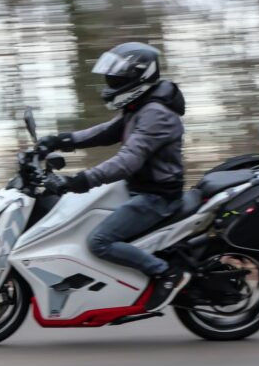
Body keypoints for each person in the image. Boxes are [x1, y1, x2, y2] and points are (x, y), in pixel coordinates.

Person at [38, 41, 190, 312]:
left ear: (137, 77)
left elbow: (126, 161)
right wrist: (59, 140)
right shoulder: (142, 107)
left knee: (99, 241)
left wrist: (80, 181)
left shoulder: (156, 114)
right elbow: (105, 132)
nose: (111, 82)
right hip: (138, 188)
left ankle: (165, 273)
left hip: (157, 197)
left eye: (117, 77)